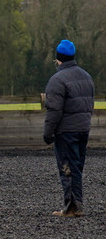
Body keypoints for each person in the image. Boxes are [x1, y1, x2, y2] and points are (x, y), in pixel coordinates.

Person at [43, 39, 94, 217]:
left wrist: (48, 133)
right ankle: (77, 204)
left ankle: (71, 207)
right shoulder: (86, 76)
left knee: (67, 168)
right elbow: (89, 105)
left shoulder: (57, 80)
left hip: (66, 131)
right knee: (77, 167)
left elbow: (54, 110)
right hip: (83, 129)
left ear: (59, 59)